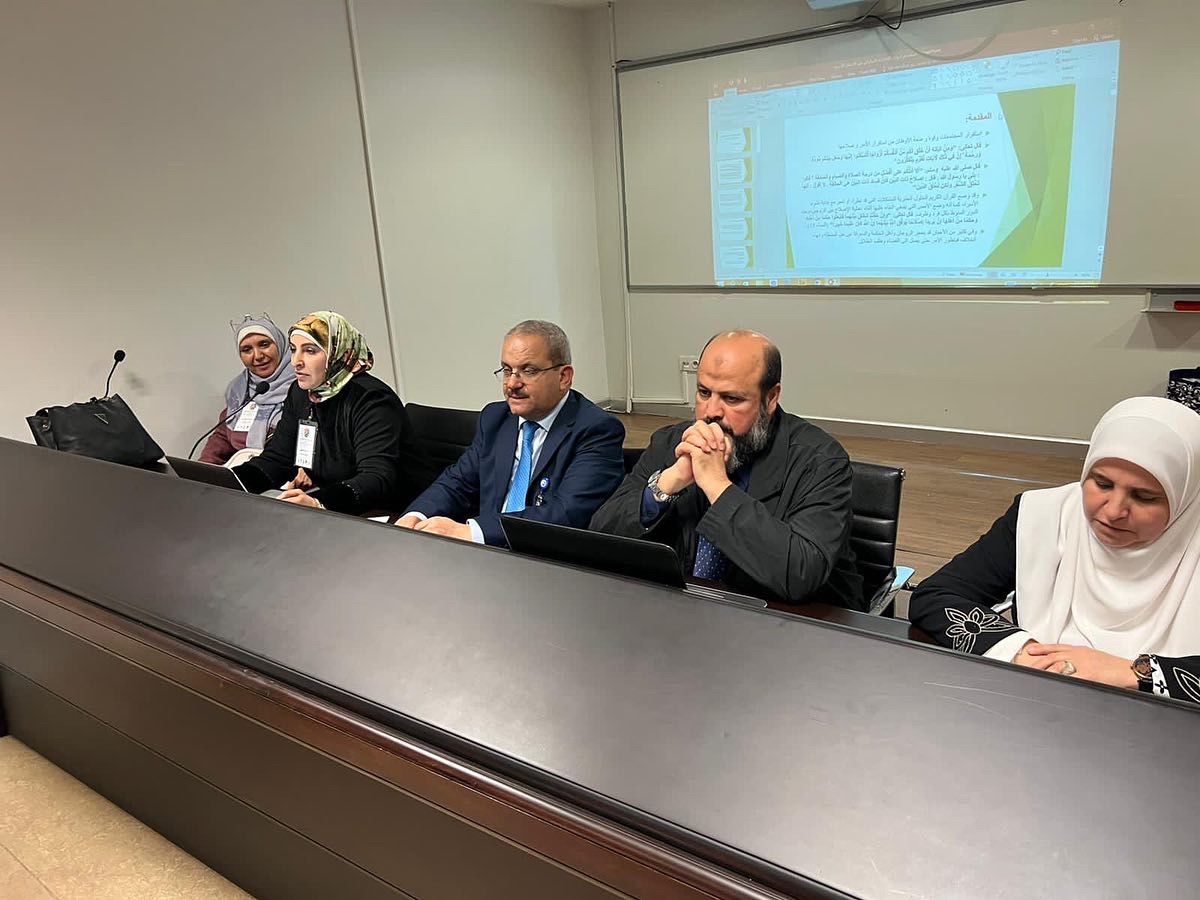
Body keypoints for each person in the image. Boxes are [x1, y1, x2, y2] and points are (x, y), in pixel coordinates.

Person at [909, 397, 1200, 704]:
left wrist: (1134, 673)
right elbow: (935, 596)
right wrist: (1026, 652)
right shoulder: (1044, 516)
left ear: (1186, 496)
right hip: (1035, 704)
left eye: (1144, 497)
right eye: (1102, 484)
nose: (1114, 511)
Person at [590, 330, 863, 609]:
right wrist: (668, 483)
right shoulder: (671, 442)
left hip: (788, 621)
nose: (711, 412)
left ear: (771, 398)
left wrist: (717, 486)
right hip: (683, 612)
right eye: (703, 393)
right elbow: (601, 536)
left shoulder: (820, 461)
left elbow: (800, 574)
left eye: (731, 399)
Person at [395, 320, 625, 546]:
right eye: (507, 370)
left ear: (563, 377)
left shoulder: (596, 429)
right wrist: (415, 516)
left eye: (528, 371)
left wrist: (473, 532)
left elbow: (567, 513)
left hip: (548, 557)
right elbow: (457, 483)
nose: (512, 384)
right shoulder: (496, 418)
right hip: (487, 553)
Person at [233, 311, 421, 515]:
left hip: (396, 512)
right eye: (294, 349)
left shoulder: (371, 399)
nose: (296, 361)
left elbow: (376, 478)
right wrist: (230, 482)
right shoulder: (301, 393)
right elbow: (278, 458)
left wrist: (318, 502)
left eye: (310, 351)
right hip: (339, 508)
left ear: (337, 352)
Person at [199, 314, 295, 465]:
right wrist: (203, 468)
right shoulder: (239, 390)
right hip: (243, 473)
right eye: (247, 349)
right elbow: (222, 437)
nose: (257, 356)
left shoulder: (303, 388)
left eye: (264, 344)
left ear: (281, 345)